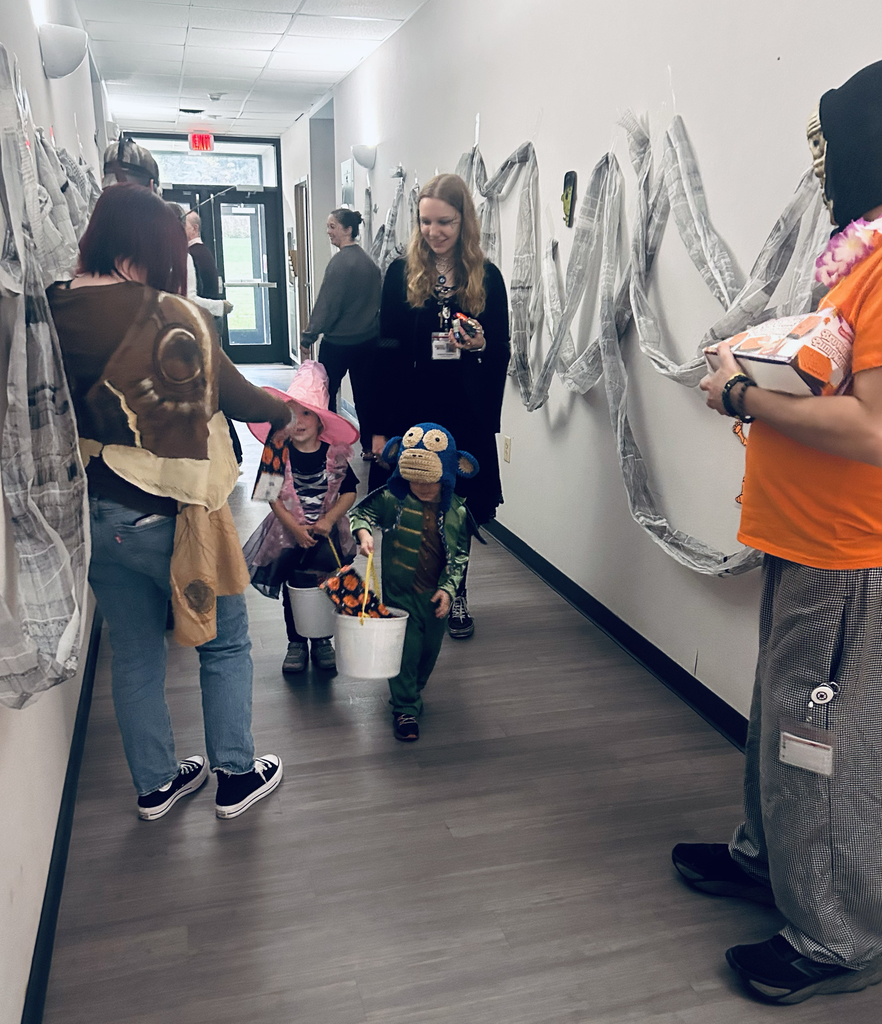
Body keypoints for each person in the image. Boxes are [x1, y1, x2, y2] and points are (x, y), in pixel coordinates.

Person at [678, 60, 882, 1005]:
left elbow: (873, 428)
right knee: (779, 716)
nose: (821, 164)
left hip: (845, 554)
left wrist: (743, 396)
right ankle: (767, 861)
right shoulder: (860, 259)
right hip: (804, 540)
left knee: (818, 741)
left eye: (827, 145)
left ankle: (836, 936)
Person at [48, 183, 290, 822]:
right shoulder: (173, 315)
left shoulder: (46, 308)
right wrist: (284, 412)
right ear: (151, 248)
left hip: (94, 512)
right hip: (174, 517)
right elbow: (239, 397)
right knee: (225, 643)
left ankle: (156, 785)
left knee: (133, 652)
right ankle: (235, 775)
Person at [372, 174, 510, 640]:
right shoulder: (400, 273)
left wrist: (481, 344)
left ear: (464, 220)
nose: (434, 231)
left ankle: (456, 592)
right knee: (413, 506)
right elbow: (385, 348)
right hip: (412, 409)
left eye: (445, 222)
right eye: (426, 221)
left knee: (458, 508)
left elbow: (501, 348)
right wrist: (379, 426)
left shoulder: (487, 277)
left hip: (464, 410)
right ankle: (412, 594)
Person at [350, 423, 477, 741]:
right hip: (399, 595)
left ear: (447, 475)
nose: (420, 486)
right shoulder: (392, 499)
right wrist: (364, 534)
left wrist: (448, 590)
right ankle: (405, 707)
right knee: (406, 650)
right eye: (413, 479)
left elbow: (460, 555)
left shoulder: (457, 511)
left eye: (428, 480)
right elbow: (361, 514)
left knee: (428, 652)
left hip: (435, 598)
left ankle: (413, 689)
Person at [242, 361, 360, 675]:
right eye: (291, 413)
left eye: (307, 413)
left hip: (327, 533)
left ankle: (322, 640)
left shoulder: (334, 452)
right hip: (287, 531)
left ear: (321, 422)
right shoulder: (276, 449)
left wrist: (329, 520)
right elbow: (270, 494)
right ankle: (296, 641)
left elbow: (349, 492)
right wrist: (294, 527)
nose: (299, 421)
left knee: (325, 584)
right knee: (294, 587)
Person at [300, 208, 381, 456]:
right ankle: (369, 447)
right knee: (366, 396)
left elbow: (327, 305)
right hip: (368, 342)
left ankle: (325, 444)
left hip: (337, 344)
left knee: (325, 395)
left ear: (348, 230)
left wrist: (309, 336)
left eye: (333, 226)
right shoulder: (370, 264)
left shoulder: (339, 264)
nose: (329, 231)